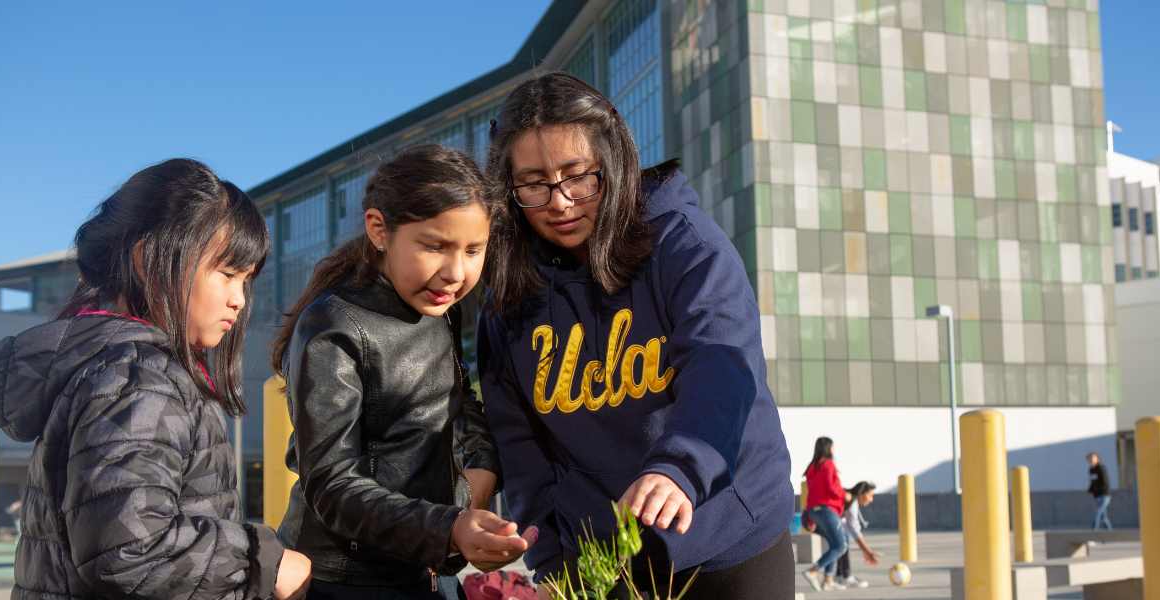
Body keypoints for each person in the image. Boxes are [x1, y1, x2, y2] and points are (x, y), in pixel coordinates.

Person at [477, 72, 795, 600]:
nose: (559, 201)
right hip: (607, 562)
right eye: (534, 184)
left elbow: (722, 365)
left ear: (614, 161)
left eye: (578, 175)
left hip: (731, 536)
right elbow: (520, 444)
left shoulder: (684, 244)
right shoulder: (507, 299)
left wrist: (680, 467)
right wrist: (553, 561)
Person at [0, 159, 311, 600]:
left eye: (247, 281)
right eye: (228, 274)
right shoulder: (137, 376)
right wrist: (266, 563)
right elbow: (131, 549)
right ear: (149, 260)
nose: (239, 299)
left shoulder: (119, 366)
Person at [271, 145, 532, 600]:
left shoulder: (440, 308)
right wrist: (448, 528)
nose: (455, 272)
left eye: (474, 250)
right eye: (435, 246)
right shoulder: (333, 325)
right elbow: (331, 482)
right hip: (344, 581)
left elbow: (458, 397)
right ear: (379, 230)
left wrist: (484, 465)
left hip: (426, 569)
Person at [801, 437, 849, 592]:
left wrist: (809, 517)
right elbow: (832, 488)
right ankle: (813, 571)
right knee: (841, 545)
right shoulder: (828, 464)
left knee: (834, 545)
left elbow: (810, 494)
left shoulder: (812, 467)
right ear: (828, 448)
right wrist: (845, 494)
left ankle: (828, 580)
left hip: (814, 511)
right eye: (833, 446)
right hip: (827, 510)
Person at [834, 481, 881, 589]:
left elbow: (851, 526)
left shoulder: (851, 501)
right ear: (861, 495)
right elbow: (854, 528)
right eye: (870, 496)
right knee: (842, 541)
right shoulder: (852, 502)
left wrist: (864, 549)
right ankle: (846, 576)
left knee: (842, 539)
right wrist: (867, 551)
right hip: (818, 517)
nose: (871, 499)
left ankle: (840, 575)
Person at [1088, 452, 1112, 530]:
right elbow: (1092, 483)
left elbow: (1105, 483)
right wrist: (1090, 491)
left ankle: (1092, 535)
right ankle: (1110, 535)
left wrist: (1095, 492)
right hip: (1097, 496)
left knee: (1096, 513)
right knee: (1103, 517)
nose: (1091, 460)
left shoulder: (1101, 468)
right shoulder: (1091, 470)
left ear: (1097, 459)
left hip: (1104, 495)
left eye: (1093, 458)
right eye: (1089, 458)